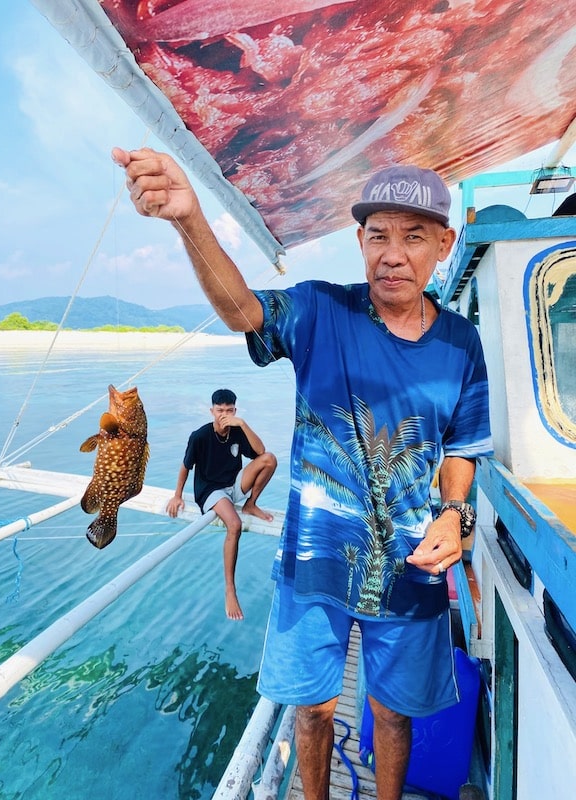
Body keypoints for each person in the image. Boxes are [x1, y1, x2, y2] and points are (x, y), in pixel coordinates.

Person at [112, 146, 493, 800]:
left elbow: (461, 447)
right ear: (359, 240)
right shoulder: (320, 310)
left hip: (412, 568)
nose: (393, 253)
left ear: (443, 244)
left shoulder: (461, 343)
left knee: (391, 712)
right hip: (314, 563)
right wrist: (189, 220)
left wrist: (456, 516)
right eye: (378, 236)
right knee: (313, 711)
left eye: (414, 237)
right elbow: (242, 310)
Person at [166, 388, 277, 620]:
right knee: (234, 525)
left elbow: (260, 452)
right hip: (211, 491)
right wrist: (177, 495)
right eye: (219, 410)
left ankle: (251, 504)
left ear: (235, 410)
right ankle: (230, 589)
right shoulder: (200, 436)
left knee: (269, 460)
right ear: (212, 411)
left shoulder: (236, 431)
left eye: (229, 410)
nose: (224, 414)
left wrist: (243, 424)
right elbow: (185, 467)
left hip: (233, 485)